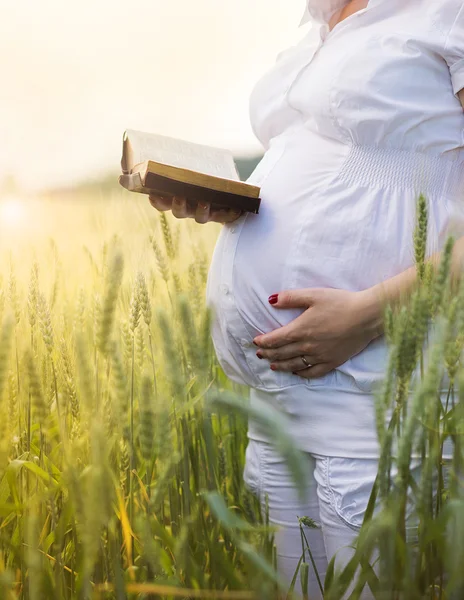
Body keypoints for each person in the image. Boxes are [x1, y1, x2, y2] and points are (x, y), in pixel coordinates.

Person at [149, 0, 464, 596]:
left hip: (376, 401)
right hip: (275, 405)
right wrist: (230, 202)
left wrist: (371, 313)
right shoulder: (319, 21)